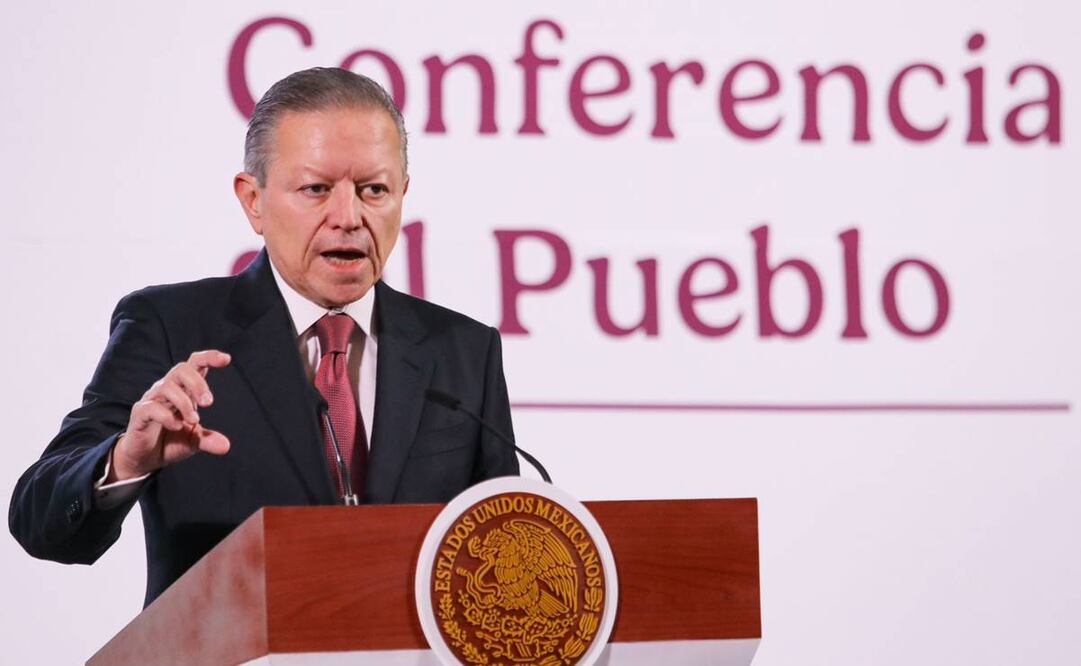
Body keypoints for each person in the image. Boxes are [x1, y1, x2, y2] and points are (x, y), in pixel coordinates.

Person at [8, 67, 519, 607]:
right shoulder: (169, 327)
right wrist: (125, 462)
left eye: (373, 190)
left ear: (402, 195)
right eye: (316, 189)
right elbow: (40, 522)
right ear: (253, 200)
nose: (348, 217)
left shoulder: (463, 350)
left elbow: (507, 544)